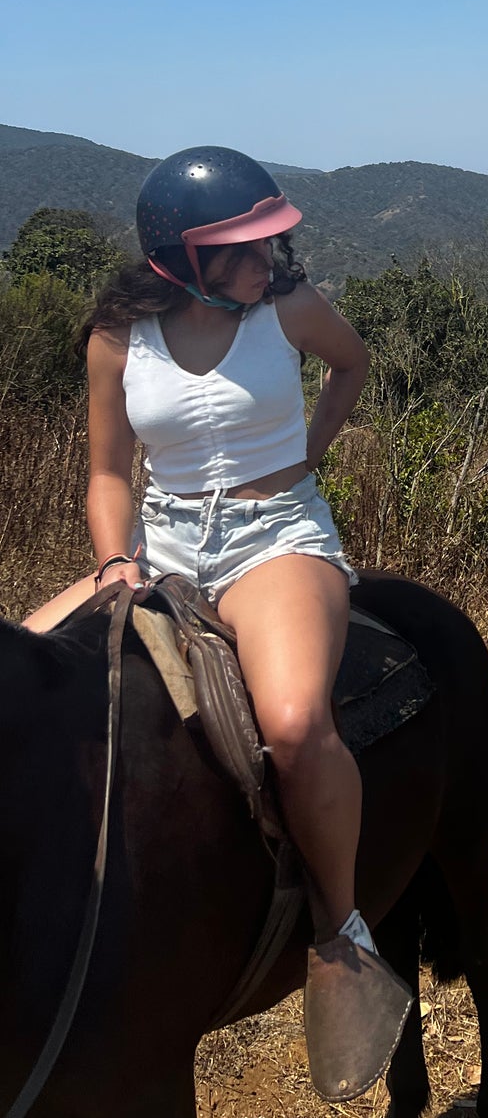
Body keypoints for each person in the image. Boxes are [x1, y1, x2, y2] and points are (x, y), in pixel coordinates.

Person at [25, 146, 410, 1081]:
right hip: (156, 543)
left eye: (267, 243)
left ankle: (344, 929)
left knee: (294, 724)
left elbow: (351, 366)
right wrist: (116, 559)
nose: (262, 262)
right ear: (178, 257)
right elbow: (110, 472)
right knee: (23, 670)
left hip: (271, 538)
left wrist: (303, 458)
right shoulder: (118, 337)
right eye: (239, 249)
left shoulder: (289, 309)